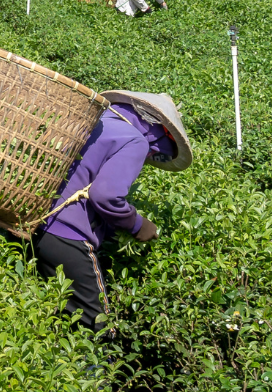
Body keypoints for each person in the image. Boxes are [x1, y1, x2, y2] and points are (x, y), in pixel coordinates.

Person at [36, 92, 191, 330]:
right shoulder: (136, 141)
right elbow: (106, 195)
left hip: (37, 221)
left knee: (57, 316)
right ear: (161, 132)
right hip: (69, 236)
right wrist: (138, 225)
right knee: (96, 328)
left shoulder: (99, 122)